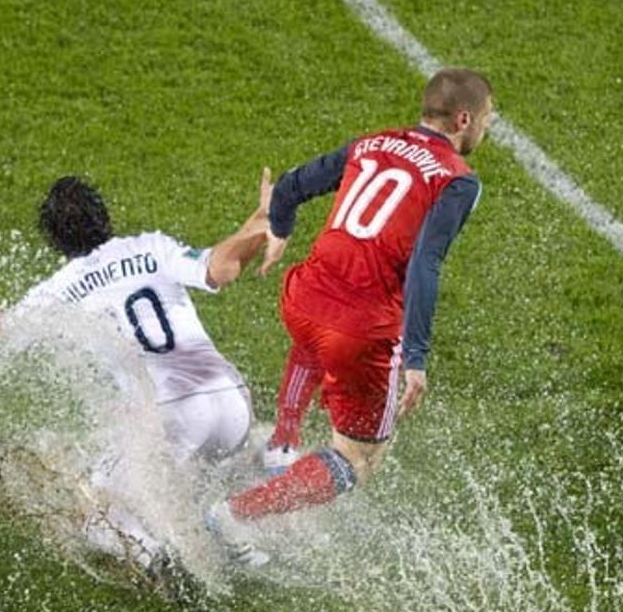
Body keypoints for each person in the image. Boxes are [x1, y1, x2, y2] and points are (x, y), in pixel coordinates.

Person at [205, 68, 494, 537]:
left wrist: (279, 231)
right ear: (463, 119)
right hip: (359, 329)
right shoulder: (458, 180)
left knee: (317, 335)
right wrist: (416, 358)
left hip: (302, 296)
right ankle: (234, 515)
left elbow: (291, 185)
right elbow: (425, 263)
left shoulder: (371, 144)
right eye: (487, 118)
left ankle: (283, 442)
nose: (488, 127)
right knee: (359, 457)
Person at [0, 170, 275, 579]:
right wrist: (262, 219)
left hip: (178, 417)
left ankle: (160, 566)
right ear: (105, 217)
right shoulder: (150, 247)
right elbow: (221, 268)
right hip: (234, 407)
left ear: (56, 241)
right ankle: (229, 540)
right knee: (185, 479)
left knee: (96, 510)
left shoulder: (59, 288)